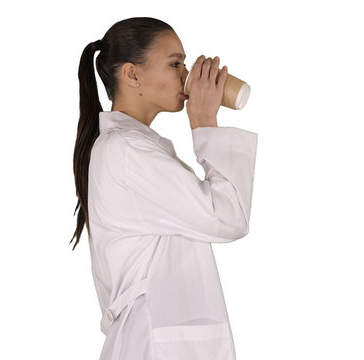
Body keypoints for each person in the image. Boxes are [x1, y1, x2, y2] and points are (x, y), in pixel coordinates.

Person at [70, 17, 258, 360]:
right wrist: (204, 123)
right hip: (151, 344)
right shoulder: (126, 152)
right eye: (175, 64)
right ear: (132, 74)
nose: (186, 75)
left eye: (184, 64)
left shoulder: (134, 148)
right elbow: (228, 218)